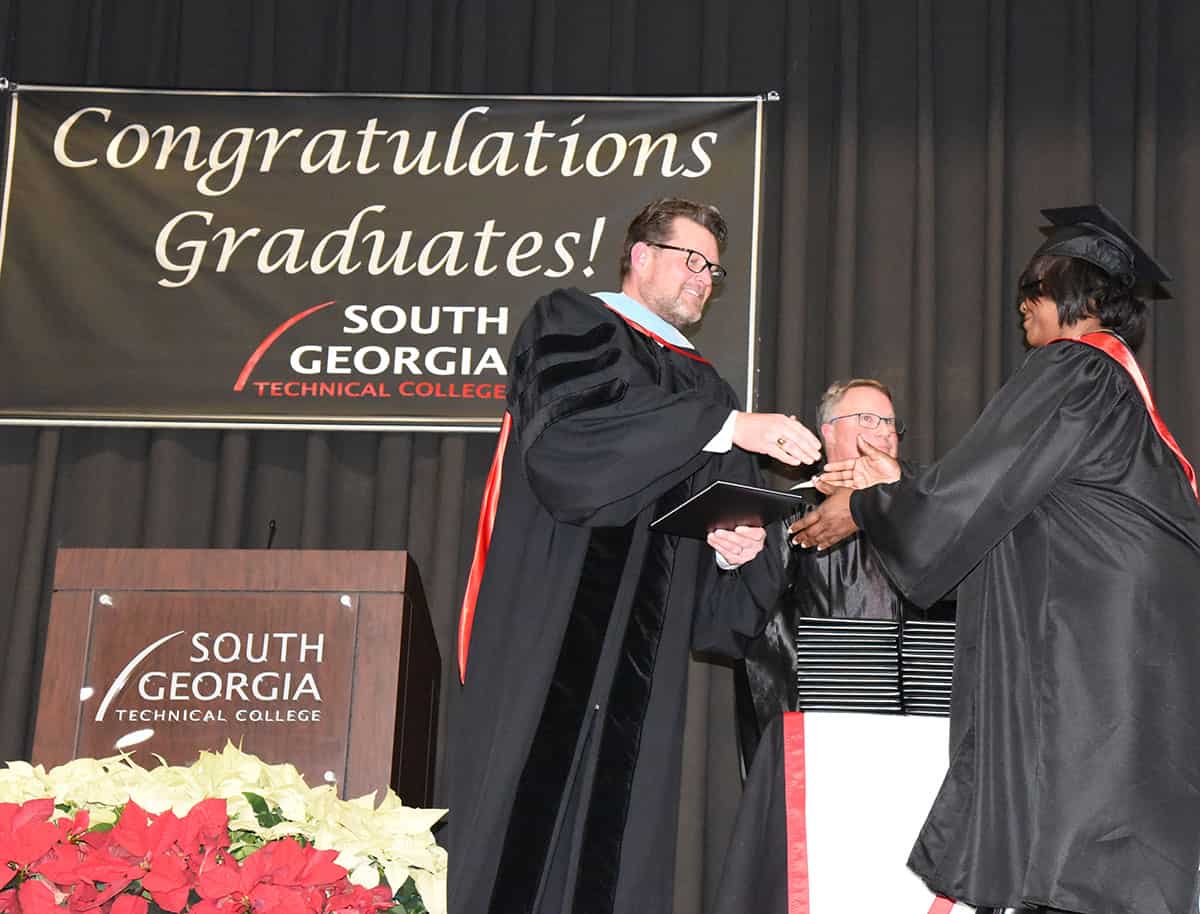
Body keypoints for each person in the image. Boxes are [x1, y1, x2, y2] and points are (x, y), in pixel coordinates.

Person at [792, 204, 1200, 914]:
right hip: (1137, 654)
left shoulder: (1072, 369)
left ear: (1069, 290)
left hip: (1089, 656)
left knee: (1081, 842)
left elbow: (974, 493)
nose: (1022, 311)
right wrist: (892, 487)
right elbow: (1017, 506)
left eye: (1032, 292)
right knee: (1127, 844)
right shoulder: (1128, 401)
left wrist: (866, 505)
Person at [446, 197, 822, 914]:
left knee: (621, 826)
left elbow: (709, 511)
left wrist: (733, 550)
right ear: (641, 256)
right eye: (692, 260)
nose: (705, 278)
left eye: (714, 269)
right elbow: (570, 457)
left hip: (639, 658)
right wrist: (730, 426)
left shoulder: (706, 385)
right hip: (552, 610)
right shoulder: (571, 321)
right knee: (524, 799)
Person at [738, 378, 924, 755]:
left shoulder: (921, 511)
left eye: (890, 423)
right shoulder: (790, 512)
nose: (885, 432)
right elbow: (761, 631)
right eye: (868, 419)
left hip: (917, 721)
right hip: (821, 723)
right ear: (828, 432)